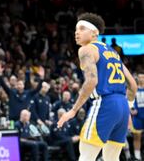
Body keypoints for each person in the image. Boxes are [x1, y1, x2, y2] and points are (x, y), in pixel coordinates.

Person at [56, 13, 138, 161]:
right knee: (112, 159)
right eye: (76, 30)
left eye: (81, 28)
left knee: (86, 156)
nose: (77, 32)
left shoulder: (86, 49)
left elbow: (91, 81)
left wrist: (73, 110)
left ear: (94, 33)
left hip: (104, 103)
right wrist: (128, 107)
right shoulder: (113, 53)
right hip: (122, 106)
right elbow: (133, 85)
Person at [131, 73, 144, 161]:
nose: (141, 79)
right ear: (137, 79)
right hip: (138, 116)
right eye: (140, 77)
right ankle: (137, 156)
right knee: (137, 137)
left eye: (143, 77)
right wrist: (131, 110)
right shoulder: (134, 89)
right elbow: (129, 100)